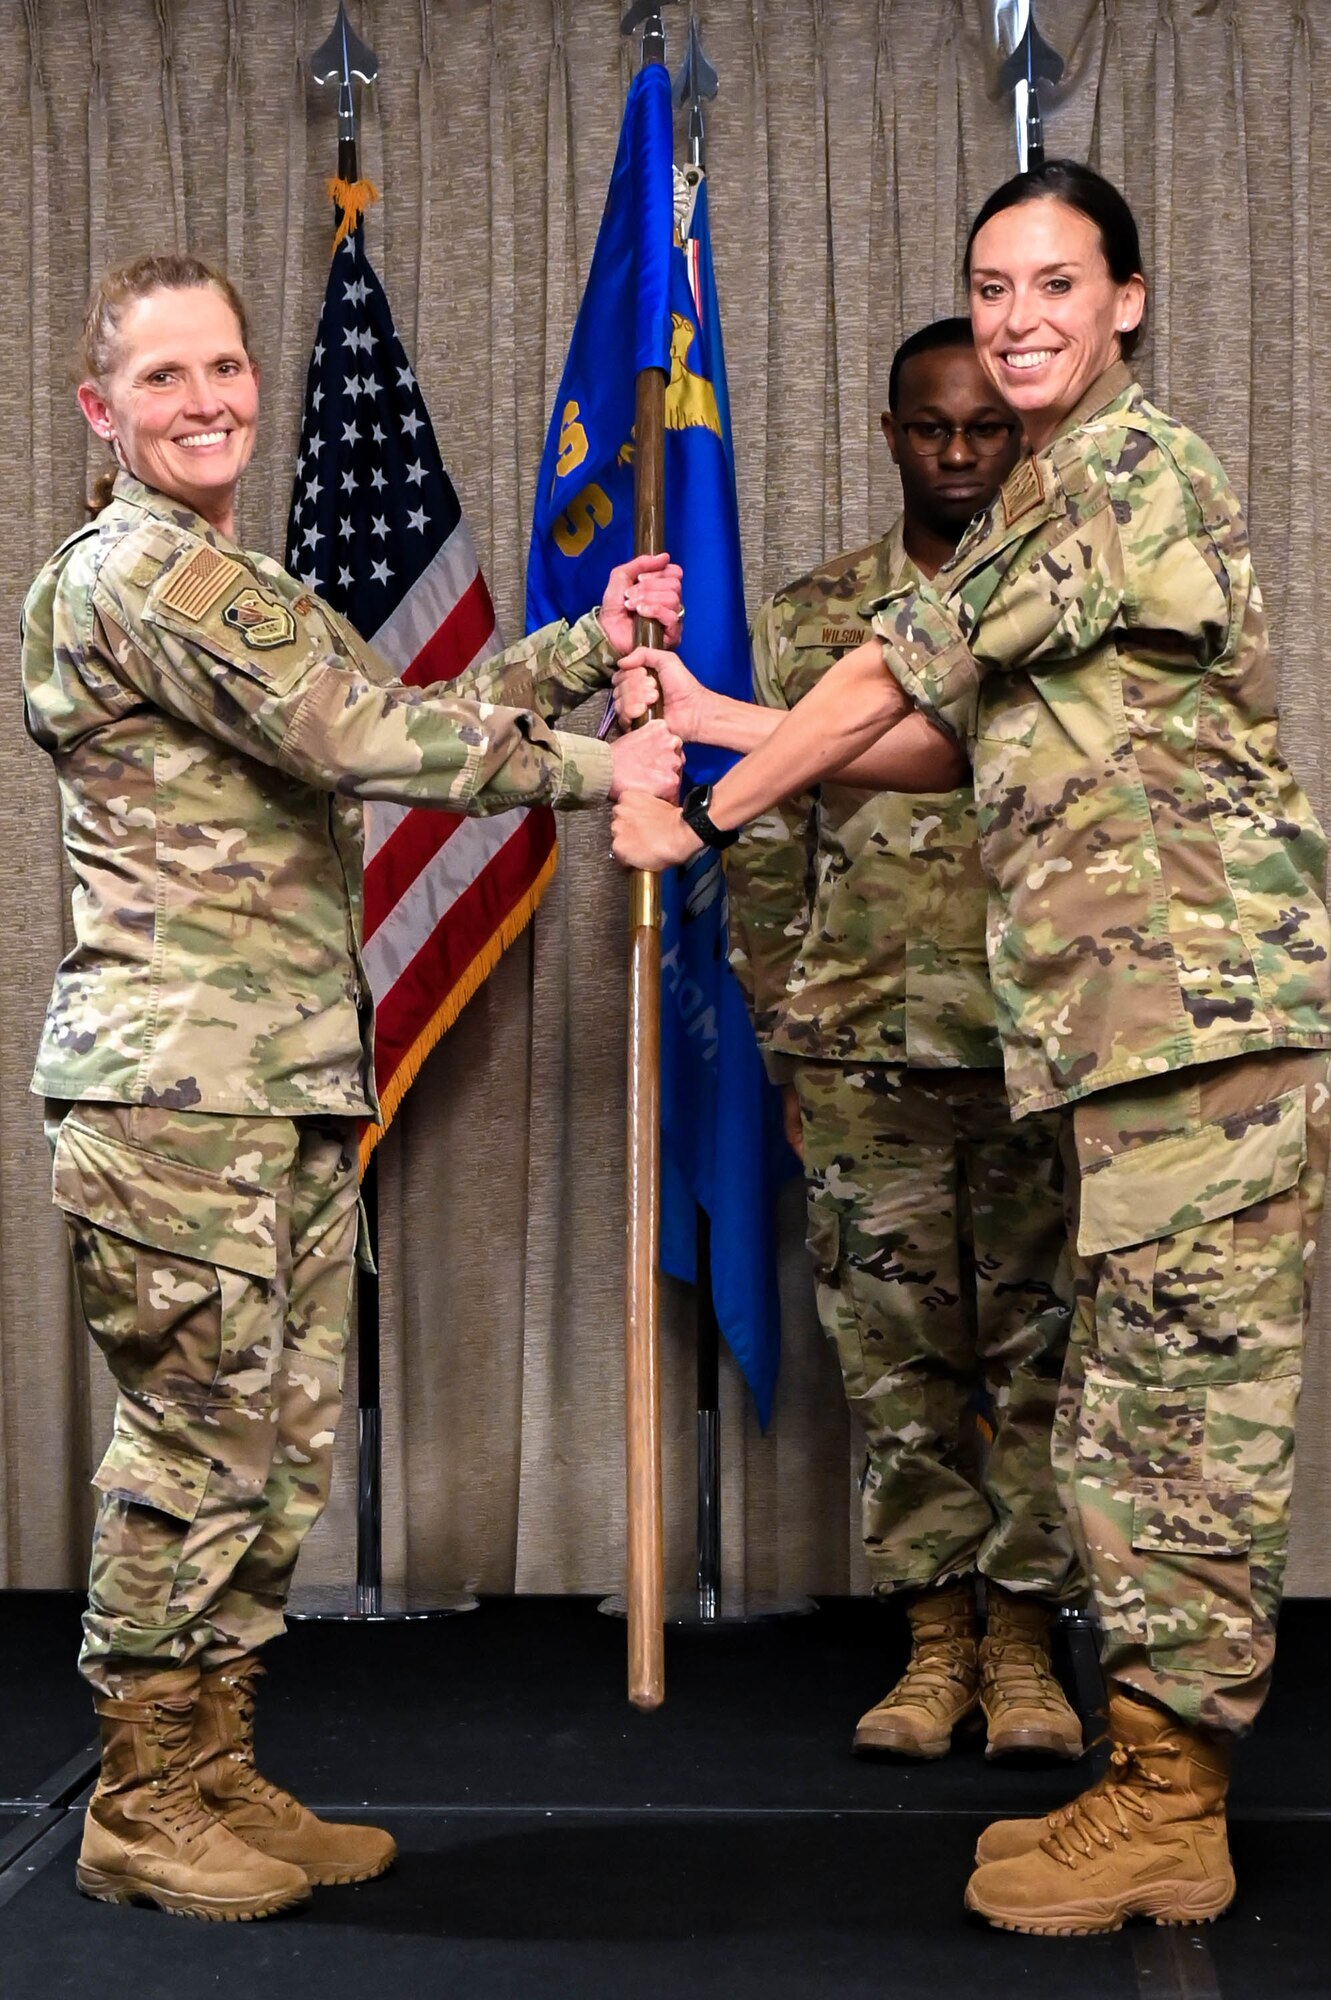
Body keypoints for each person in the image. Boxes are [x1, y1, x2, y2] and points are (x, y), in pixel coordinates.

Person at [610, 162, 1331, 1936]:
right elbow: (945, 743)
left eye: (1055, 285)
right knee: (1141, 1421)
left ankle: (1172, 1807)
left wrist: (702, 813)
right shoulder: (1054, 496)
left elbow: (900, 678)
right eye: (991, 286)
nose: (1016, 317)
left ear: (1129, 302)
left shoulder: (1123, 470)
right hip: (1127, 1035)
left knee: (1183, 1431)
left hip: (1196, 1028)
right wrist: (713, 718)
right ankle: (1153, 1787)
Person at [22, 253, 684, 1923]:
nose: (209, 402)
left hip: (275, 1085)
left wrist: (573, 650)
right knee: (192, 1448)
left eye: (227, 369)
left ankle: (216, 1762)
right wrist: (611, 770)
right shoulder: (144, 578)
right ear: (102, 412)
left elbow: (393, 710)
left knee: (272, 1450)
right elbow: (356, 743)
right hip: (181, 1101)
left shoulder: (232, 580)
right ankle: (140, 1796)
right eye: (164, 379)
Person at [618, 319, 1084, 1766]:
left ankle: (1022, 1648)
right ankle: (934, 1642)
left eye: (985, 430)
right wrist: (785, 1024)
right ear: (888, 433)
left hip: (1036, 1048)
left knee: (1038, 1357)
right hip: (863, 1045)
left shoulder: (1055, 604)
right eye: (930, 428)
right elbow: (759, 839)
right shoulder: (824, 618)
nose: (958, 452)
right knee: (894, 1365)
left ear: (1021, 438)